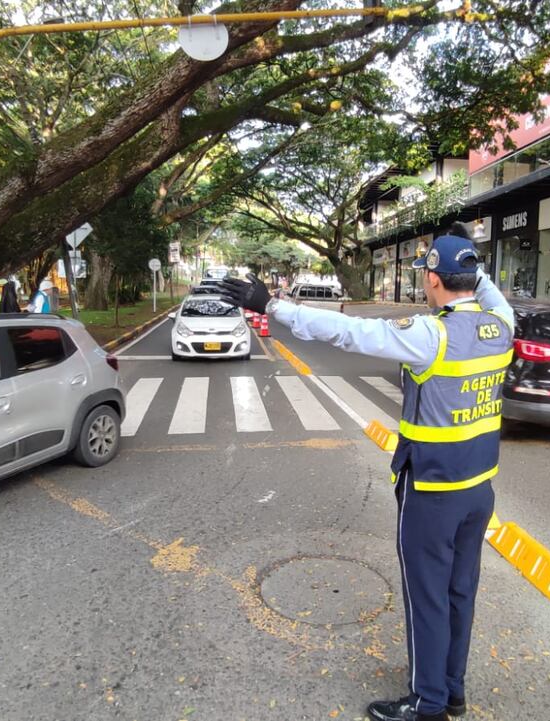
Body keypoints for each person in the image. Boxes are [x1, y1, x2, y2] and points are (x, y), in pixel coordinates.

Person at [223, 224, 513, 721]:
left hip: (432, 490)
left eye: (426, 275)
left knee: (427, 597)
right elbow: (486, 290)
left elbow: (347, 331)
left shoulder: (432, 334)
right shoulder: (501, 325)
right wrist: (468, 257)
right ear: (473, 278)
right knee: (460, 591)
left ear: (434, 280)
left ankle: (427, 703)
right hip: (479, 490)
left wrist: (271, 305)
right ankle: (453, 689)